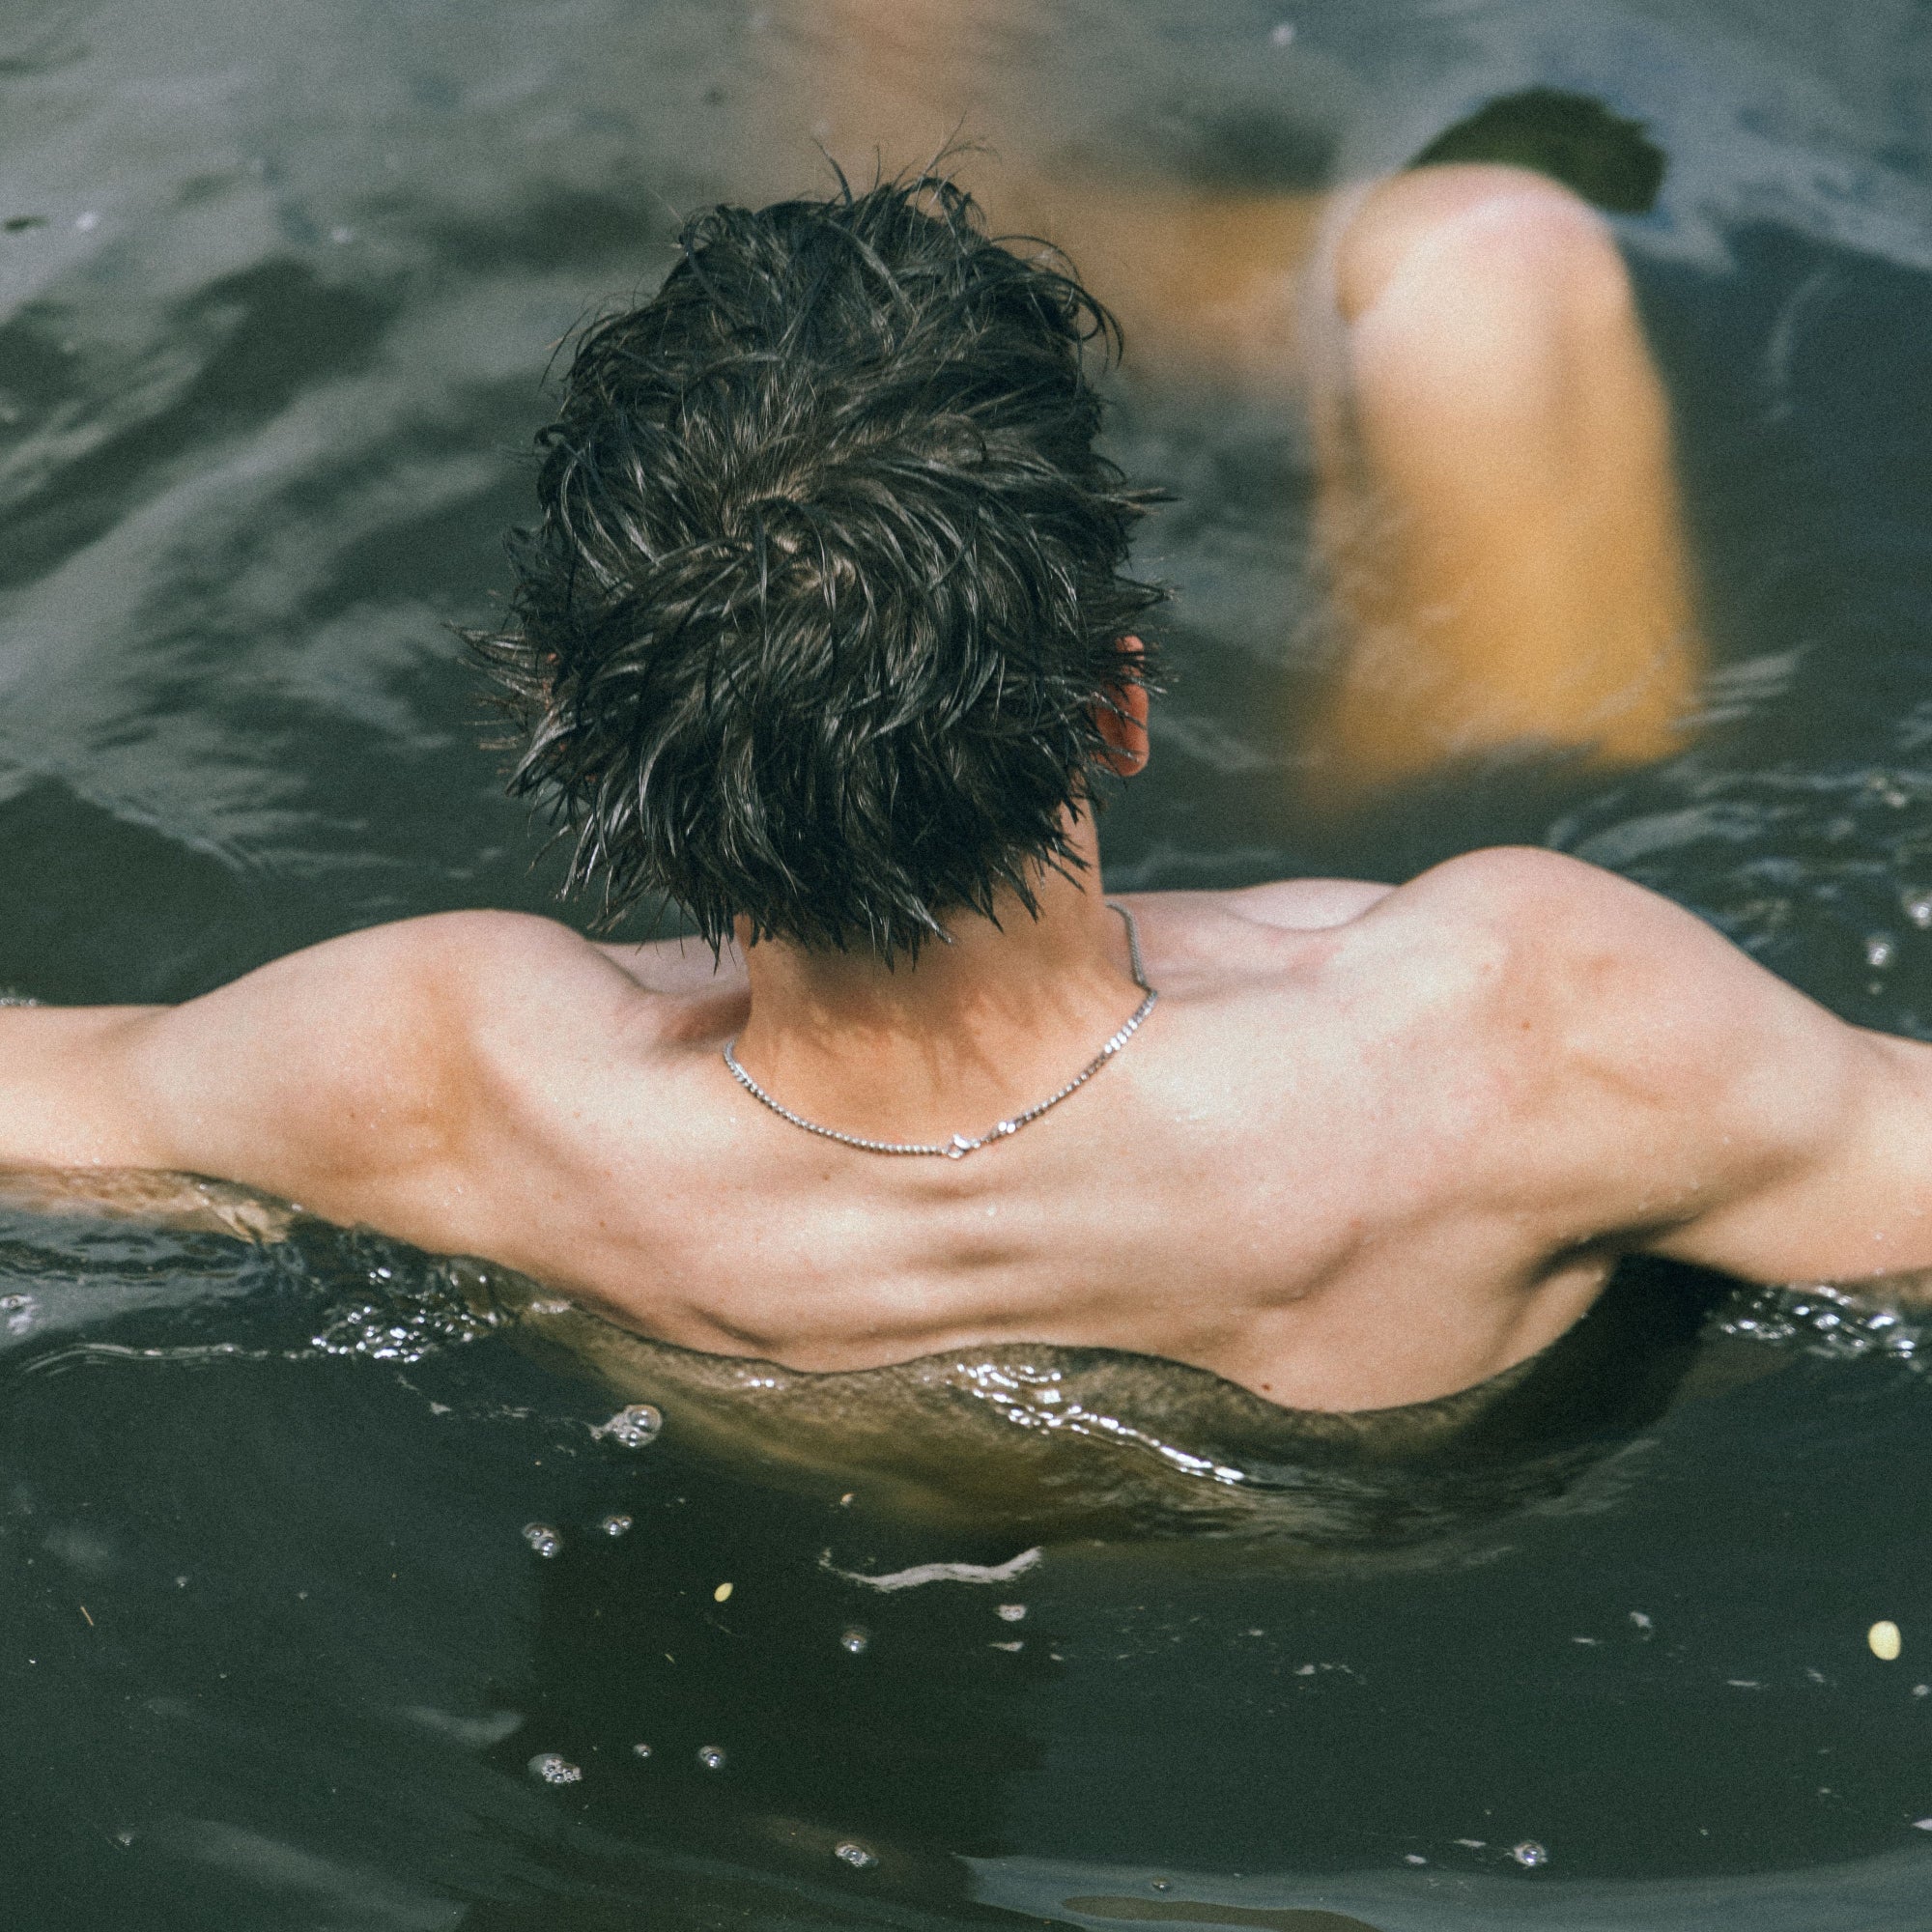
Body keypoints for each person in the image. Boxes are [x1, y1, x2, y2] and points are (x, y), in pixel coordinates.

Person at [0, 170, 1924, 1417]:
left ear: (587, 749)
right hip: (1395, 1397)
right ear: (1120, 704)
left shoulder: (447, 1081)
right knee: (1492, 259)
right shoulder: (1529, 1035)